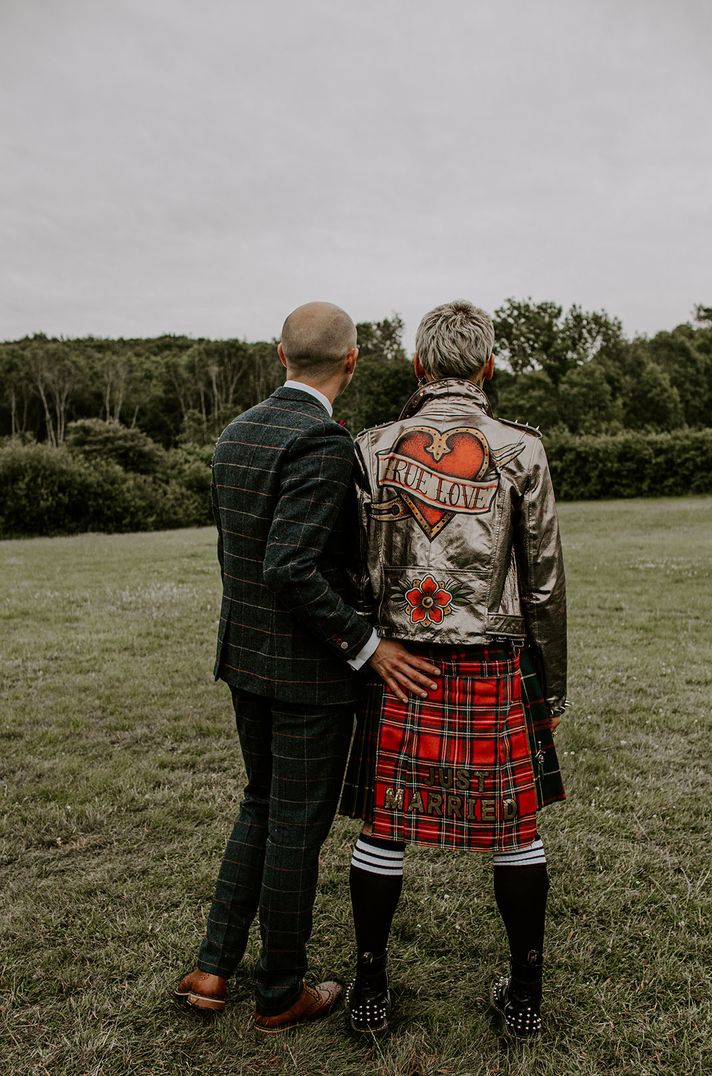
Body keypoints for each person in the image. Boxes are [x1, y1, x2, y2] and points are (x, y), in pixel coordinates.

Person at [175, 301, 439, 1034]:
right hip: (307, 673)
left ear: (279, 353)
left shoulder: (238, 431)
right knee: (294, 824)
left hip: (247, 659)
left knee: (260, 805)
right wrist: (368, 645)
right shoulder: (322, 441)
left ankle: (211, 969)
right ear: (352, 362)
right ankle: (280, 991)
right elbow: (289, 567)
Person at [339, 299, 568, 1039]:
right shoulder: (521, 448)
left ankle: (370, 990)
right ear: (487, 365)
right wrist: (552, 685)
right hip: (493, 657)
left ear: (418, 365)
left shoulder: (373, 445)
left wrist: (365, 651)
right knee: (515, 828)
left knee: (384, 824)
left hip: (396, 659)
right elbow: (545, 583)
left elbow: (353, 570)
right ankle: (526, 1001)